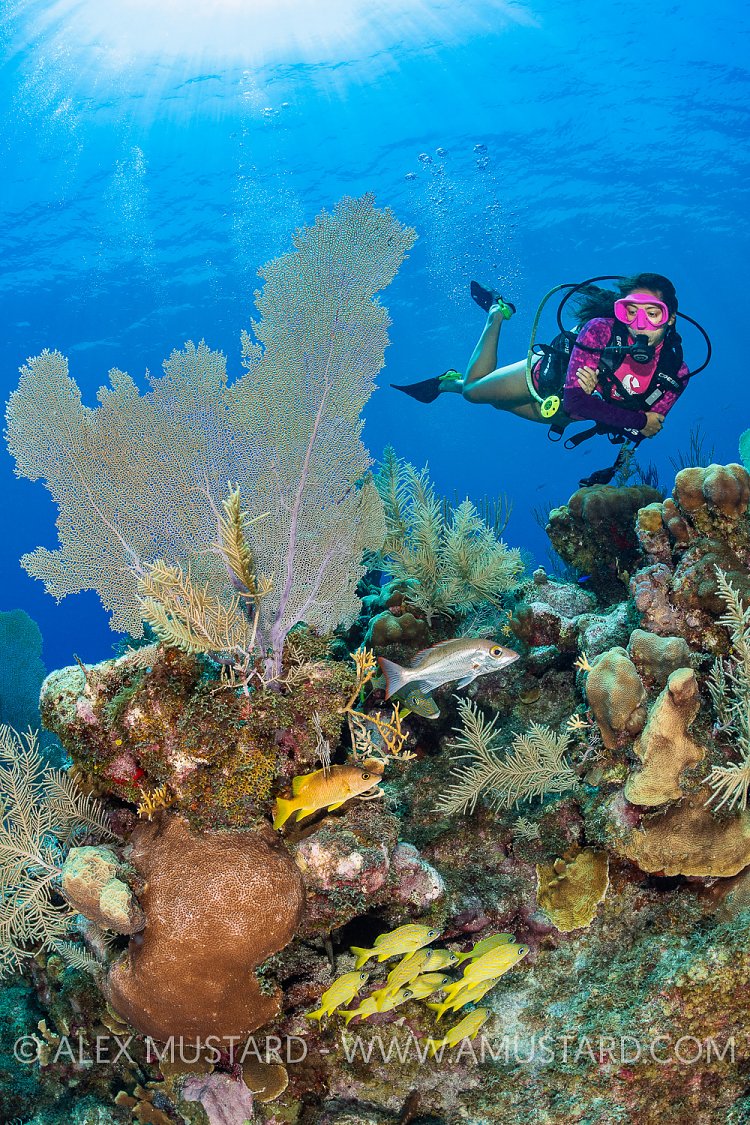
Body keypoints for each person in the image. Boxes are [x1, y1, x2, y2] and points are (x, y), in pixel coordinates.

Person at [393, 274, 690, 444]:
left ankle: (449, 380)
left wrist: (613, 410)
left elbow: (645, 429)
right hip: (541, 378)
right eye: (630, 312)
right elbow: (632, 419)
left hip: (560, 414)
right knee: (473, 393)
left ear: (671, 318)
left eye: (653, 314)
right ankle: (497, 313)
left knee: (496, 401)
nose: (640, 325)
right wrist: (635, 418)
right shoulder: (600, 330)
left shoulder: (675, 374)